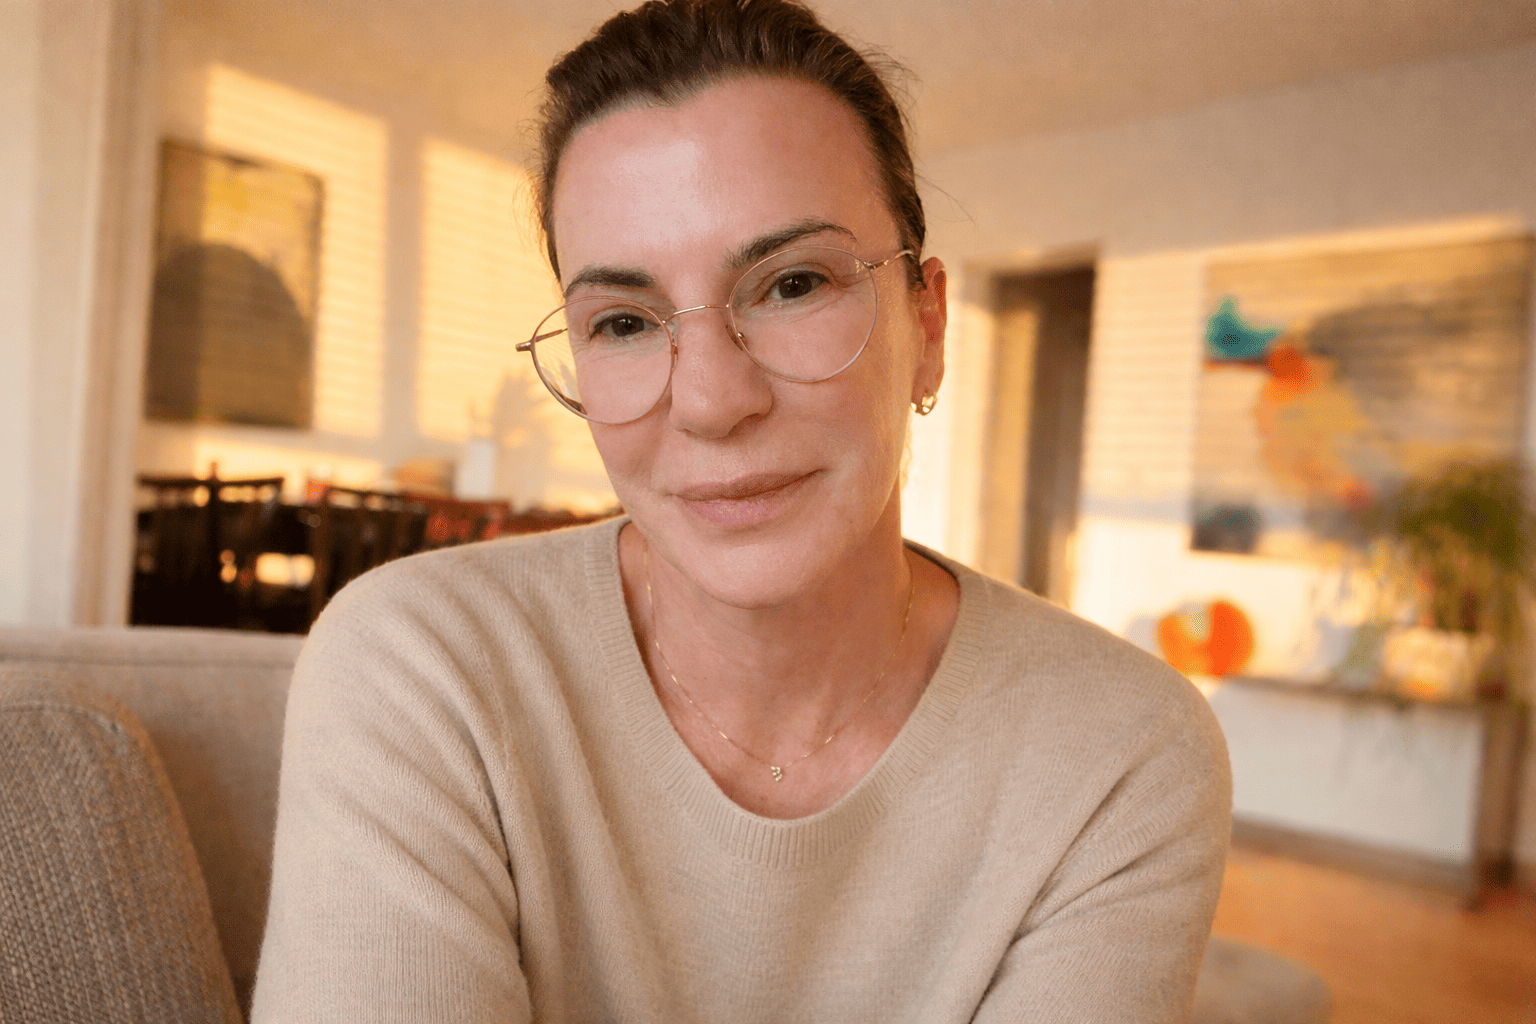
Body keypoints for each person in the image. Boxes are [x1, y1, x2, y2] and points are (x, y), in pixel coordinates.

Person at [251, 1, 1231, 1020]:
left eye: (793, 283)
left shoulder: (1119, 751)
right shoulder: (425, 666)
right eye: (624, 321)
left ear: (927, 326)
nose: (712, 401)